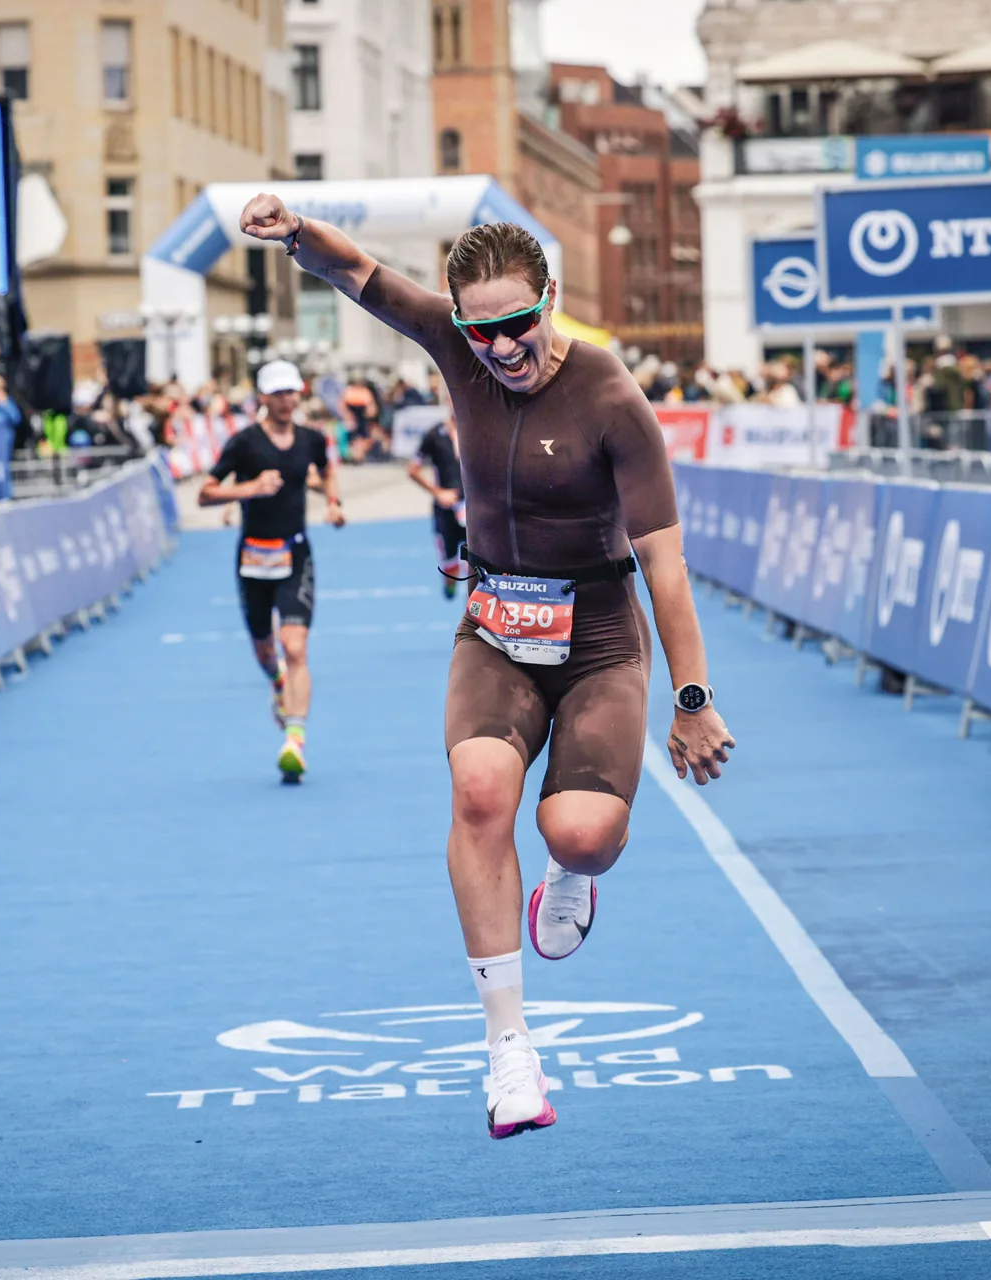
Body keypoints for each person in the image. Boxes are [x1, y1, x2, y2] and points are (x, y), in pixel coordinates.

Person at [240, 195, 735, 1139]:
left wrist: (693, 697)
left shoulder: (611, 398)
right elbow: (359, 275)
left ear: (549, 299)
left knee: (581, 833)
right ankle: (509, 1050)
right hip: (497, 627)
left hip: (598, 638)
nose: (501, 348)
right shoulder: (458, 343)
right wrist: (296, 230)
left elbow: (665, 565)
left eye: (517, 325)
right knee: (478, 793)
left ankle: (572, 874)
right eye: (480, 330)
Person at [198, 358, 346, 782]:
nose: (287, 400)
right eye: (278, 393)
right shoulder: (244, 443)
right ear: (263, 397)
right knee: (266, 652)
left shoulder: (311, 439)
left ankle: (294, 740)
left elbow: (327, 472)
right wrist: (250, 489)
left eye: (292, 392)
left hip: (296, 553)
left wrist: (332, 503)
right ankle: (278, 682)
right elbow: (205, 493)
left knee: (294, 646)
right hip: (253, 558)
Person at [408, 412, 466, 598]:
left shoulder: (476, 430)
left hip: (471, 508)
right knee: (450, 567)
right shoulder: (434, 434)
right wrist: (438, 492)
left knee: (476, 565)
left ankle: (473, 608)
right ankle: (450, 583)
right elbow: (413, 470)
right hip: (445, 509)